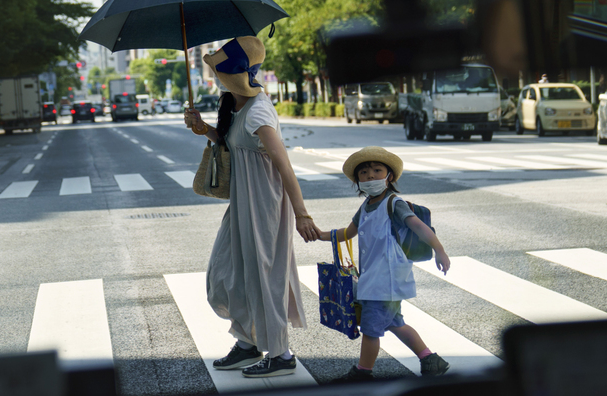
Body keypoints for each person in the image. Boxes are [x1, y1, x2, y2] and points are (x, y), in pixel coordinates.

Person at [184, 36, 323, 378]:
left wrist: (302, 214)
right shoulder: (236, 105)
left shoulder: (258, 110)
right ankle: (248, 342)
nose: (217, 77)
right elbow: (233, 144)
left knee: (265, 278)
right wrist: (204, 129)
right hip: (243, 201)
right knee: (226, 271)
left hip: (265, 204)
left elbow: (284, 165)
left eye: (220, 72)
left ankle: (281, 354)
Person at [317, 146, 452, 382]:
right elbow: (348, 232)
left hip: (386, 279)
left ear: (389, 176)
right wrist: (320, 235)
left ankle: (363, 373)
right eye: (364, 173)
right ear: (358, 181)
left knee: (371, 330)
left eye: (377, 170)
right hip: (375, 278)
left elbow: (417, 225)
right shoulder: (366, 206)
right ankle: (431, 361)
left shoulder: (393, 203)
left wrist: (439, 250)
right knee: (395, 323)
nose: (370, 176)